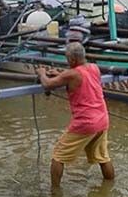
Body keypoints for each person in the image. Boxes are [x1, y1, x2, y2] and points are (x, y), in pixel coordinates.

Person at [36, 42, 115, 189]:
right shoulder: (94, 67)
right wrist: (60, 75)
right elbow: (78, 78)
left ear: (72, 60)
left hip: (86, 122)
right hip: (102, 119)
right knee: (102, 156)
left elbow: (47, 84)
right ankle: (110, 185)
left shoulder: (71, 74)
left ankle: (55, 193)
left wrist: (41, 73)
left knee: (58, 156)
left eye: (67, 59)